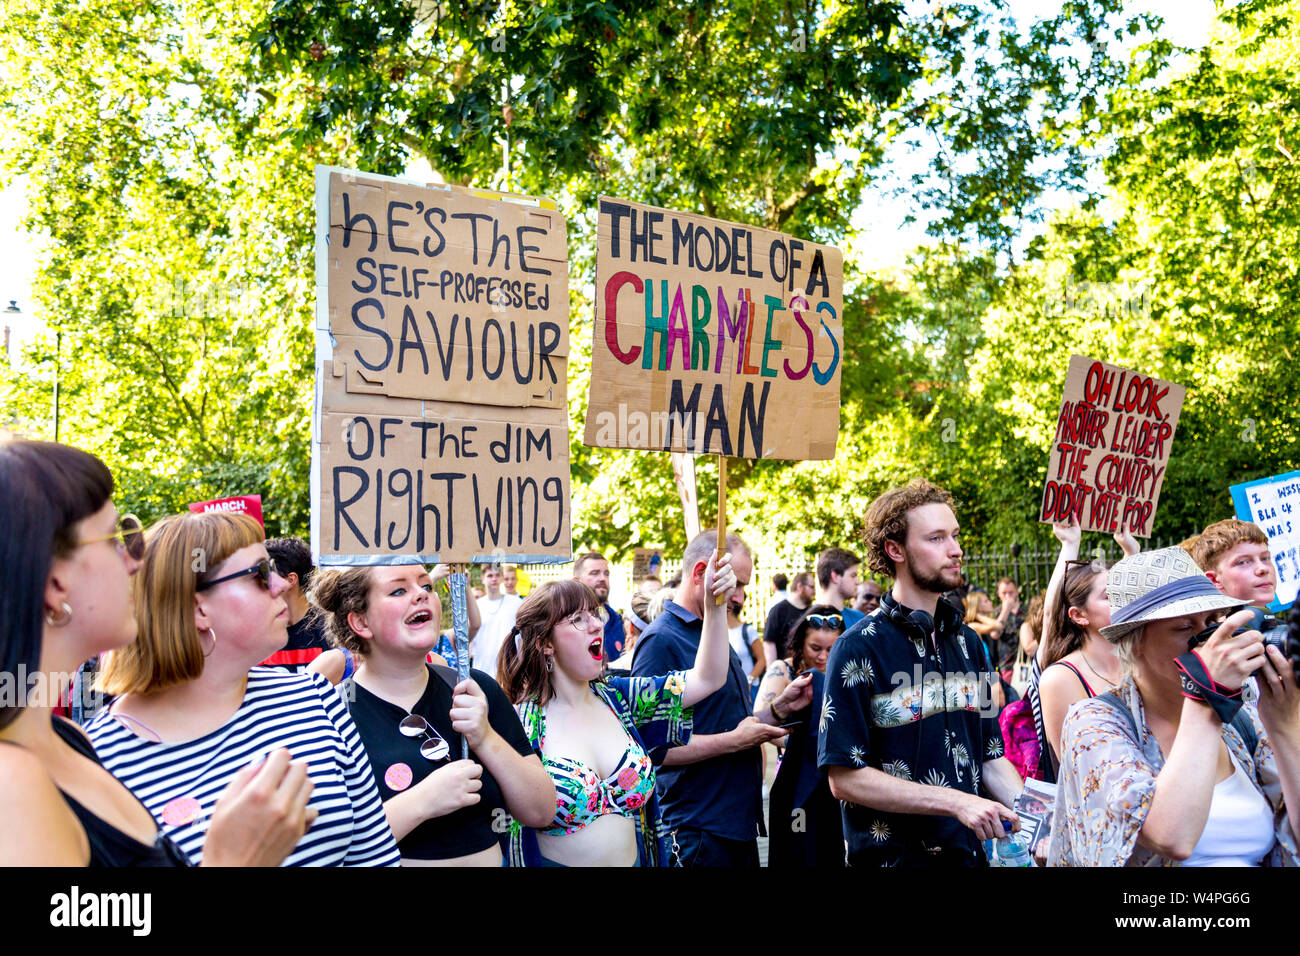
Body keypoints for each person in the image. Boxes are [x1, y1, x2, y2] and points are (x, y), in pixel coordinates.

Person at [0, 441, 315, 867]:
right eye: (115, 539)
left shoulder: (66, 739)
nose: (135, 561)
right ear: (56, 584)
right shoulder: (11, 786)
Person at [83, 509, 399, 866]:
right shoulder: (98, 765)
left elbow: (375, 858)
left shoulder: (315, 697)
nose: (281, 585)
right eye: (260, 574)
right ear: (197, 608)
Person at [1050, 546, 1300, 867]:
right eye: (1184, 628)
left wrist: (1283, 726)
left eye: (1212, 621)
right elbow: (1172, 837)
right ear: (1134, 641)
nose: (1209, 639)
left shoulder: (1242, 719)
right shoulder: (1094, 723)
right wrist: (1206, 694)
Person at [819, 478, 1023, 867]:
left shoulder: (967, 643)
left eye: (955, 536)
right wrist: (956, 802)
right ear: (894, 549)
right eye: (936, 539)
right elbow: (844, 778)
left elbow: (991, 759)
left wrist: (1038, 822)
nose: (956, 550)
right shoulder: (856, 647)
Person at [498, 553, 738, 866]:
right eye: (578, 620)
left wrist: (714, 605)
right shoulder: (521, 724)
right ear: (546, 643)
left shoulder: (620, 698)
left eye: (595, 614)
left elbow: (708, 678)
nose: (597, 624)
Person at [310, 562, 555, 865]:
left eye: (426, 586)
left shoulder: (474, 688)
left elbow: (541, 811)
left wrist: (485, 737)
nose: (421, 595)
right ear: (361, 622)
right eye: (399, 590)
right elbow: (330, 847)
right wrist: (424, 800)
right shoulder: (332, 713)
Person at [632, 531, 788, 866]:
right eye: (738, 583)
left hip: (735, 827)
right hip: (696, 832)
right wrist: (732, 742)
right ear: (703, 573)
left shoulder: (710, 632)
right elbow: (649, 747)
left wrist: (779, 709)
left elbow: (727, 721)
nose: (742, 597)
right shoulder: (662, 640)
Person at [1029, 518, 1139, 781]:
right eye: (1108, 595)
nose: (1122, 599)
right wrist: (1070, 543)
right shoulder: (1059, 676)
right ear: (1078, 615)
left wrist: (1131, 553)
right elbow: (1081, 775)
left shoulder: (1143, 660)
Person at [754, 604, 845, 867]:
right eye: (815, 648)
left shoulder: (844, 672)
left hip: (834, 783)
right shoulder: (783, 670)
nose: (823, 656)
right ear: (799, 642)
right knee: (797, 846)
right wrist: (802, 743)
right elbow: (758, 720)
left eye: (832, 649)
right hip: (796, 783)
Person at [261, 536, 330, 673]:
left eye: (265, 575)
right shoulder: (255, 631)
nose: (258, 584)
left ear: (291, 580)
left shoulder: (328, 629)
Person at [1190, 519, 1278, 608]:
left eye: (1265, 558)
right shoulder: (1220, 622)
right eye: (1243, 562)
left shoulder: (1286, 622)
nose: (1263, 569)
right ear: (1214, 580)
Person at [472, 564, 522, 685]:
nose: (494, 578)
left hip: (508, 670)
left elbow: (522, 638)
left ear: (501, 578)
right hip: (482, 669)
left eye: (497, 575)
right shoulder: (476, 606)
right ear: (483, 579)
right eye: (490, 575)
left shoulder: (516, 603)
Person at [574, 552, 624, 661]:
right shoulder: (569, 623)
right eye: (594, 573)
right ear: (577, 581)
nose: (602, 578)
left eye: (606, 574)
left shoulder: (618, 621)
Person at [764, 571, 813, 667]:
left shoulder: (812, 612)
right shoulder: (778, 611)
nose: (814, 591)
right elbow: (769, 643)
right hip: (786, 672)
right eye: (811, 587)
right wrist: (772, 671)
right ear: (800, 587)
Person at [727, 592, 766, 702]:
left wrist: (748, 681)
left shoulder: (748, 630)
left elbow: (762, 660)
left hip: (750, 689)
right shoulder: (719, 632)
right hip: (731, 691)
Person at [815, 546, 864, 629]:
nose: (858, 582)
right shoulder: (809, 620)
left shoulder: (859, 619)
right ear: (835, 577)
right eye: (853, 575)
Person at [993, 577, 1024, 667]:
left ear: (1017, 592)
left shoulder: (1027, 610)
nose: (1007, 596)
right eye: (1004, 593)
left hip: (1025, 663)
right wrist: (1006, 610)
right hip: (1005, 665)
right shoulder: (996, 613)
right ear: (999, 594)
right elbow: (995, 634)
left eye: (1011, 592)